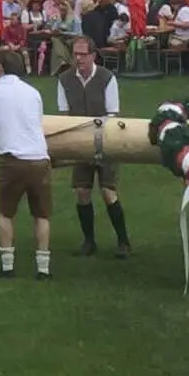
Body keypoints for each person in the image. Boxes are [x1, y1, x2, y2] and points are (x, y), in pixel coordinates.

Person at [0, 45, 53, 281]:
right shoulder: (33, 93)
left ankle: (7, 266)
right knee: (41, 215)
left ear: (0, 68)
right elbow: (37, 122)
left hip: (12, 159)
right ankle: (43, 268)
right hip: (40, 158)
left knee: (5, 212)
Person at [52, 39, 129, 259]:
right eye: (75, 54)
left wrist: (99, 140)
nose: (78, 58)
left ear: (93, 55)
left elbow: (112, 114)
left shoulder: (107, 78)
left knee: (108, 192)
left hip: (105, 142)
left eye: (83, 54)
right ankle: (89, 241)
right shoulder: (64, 80)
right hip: (80, 144)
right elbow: (64, 115)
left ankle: (123, 241)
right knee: (82, 192)